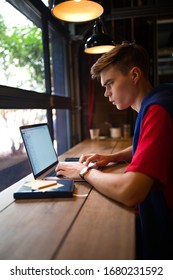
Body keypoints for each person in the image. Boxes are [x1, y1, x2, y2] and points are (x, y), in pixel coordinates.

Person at [56, 42, 173, 259]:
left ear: (134, 75)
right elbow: (150, 144)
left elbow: (130, 192)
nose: (106, 93)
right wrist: (112, 157)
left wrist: (84, 172)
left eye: (110, 83)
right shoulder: (160, 97)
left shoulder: (157, 111)